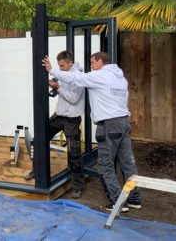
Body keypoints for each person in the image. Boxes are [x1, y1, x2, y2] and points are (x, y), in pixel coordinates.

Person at [42, 52, 141, 212]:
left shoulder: (101, 76)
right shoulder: (120, 78)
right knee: (128, 164)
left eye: (93, 63)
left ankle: (117, 202)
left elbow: (77, 79)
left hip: (109, 125)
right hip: (123, 122)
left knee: (105, 166)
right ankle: (135, 199)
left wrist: (52, 70)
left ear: (101, 62)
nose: (91, 66)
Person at [25, 51, 85, 199]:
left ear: (70, 63)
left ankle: (77, 186)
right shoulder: (64, 73)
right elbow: (60, 85)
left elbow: (73, 99)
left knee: (74, 152)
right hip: (59, 116)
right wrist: (54, 84)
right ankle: (37, 171)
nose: (60, 68)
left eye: (62, 66)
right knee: (39, 138)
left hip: (71, 119)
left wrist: (59, 87)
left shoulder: (79, 77)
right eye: (59, 66)